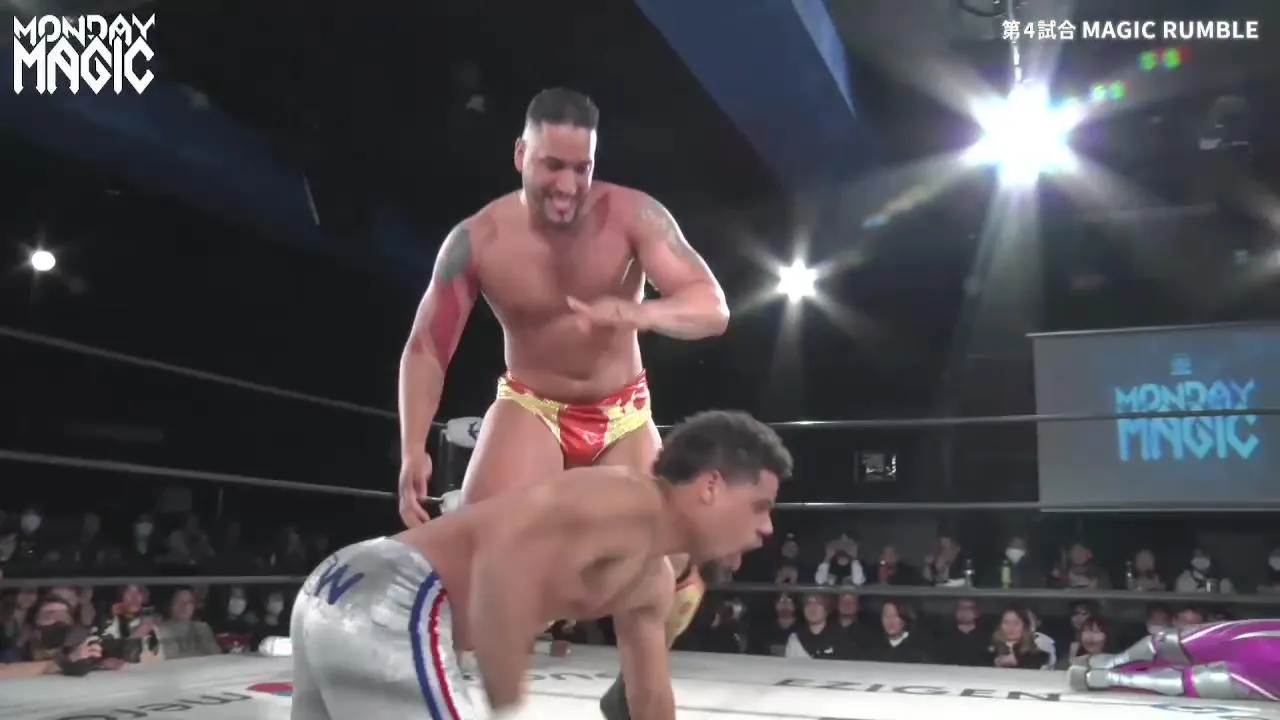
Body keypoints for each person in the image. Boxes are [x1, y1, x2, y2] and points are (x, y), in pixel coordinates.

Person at [396, 87, 729, 716]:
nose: (569, 185)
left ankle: (634, 693)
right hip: (533, 406)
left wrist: (640, 313)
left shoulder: (634, 215)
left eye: (583, 167)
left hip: (623, 412)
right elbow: (427, 347)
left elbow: (712, 308)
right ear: (521, 154)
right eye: (554, 165)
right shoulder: (477, 240)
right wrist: (414, 444)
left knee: (656, 584)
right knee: (479, 571)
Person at [294, 410, 789, 719]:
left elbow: (650, 699)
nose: (767, 528)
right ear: (710, 486)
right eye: (760, 507)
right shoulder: (626, 499)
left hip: (341, 589)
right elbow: (501, 564)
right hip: (394, 591)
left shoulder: (652, 582)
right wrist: (506, 699)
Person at [1068, 619, 1280, 701]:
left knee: (1196, 679)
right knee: (1172, 642)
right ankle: (1113, 665)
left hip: (1270, 671)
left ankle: (1111, 678)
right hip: (1265, 637)